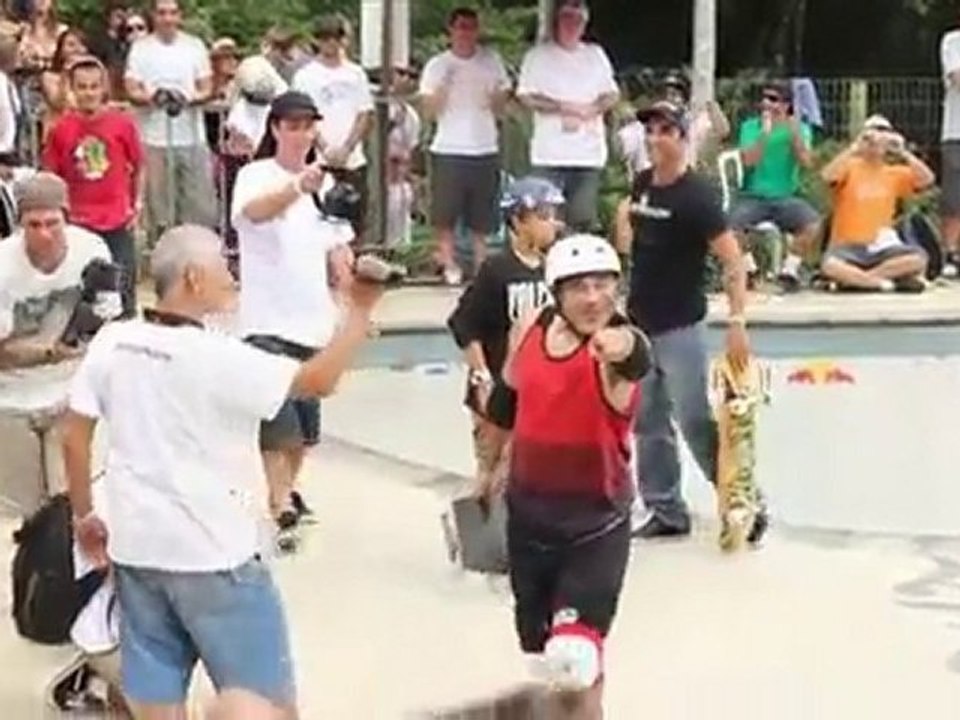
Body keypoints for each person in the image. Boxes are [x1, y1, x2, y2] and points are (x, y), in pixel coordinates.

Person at [61, 223, 385, 720]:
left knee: (156, 705)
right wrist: (359, 311)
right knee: (261, 706)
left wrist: (84, 516)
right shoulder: (221, 357)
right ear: (193, 278)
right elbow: (319, 380)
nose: (233, 277)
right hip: (216, 557)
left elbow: (73, 435)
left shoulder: (114, 340)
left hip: (138, 551)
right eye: (223, 267)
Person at [484, 233, 651, 718]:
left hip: (594, 526)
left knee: (573, 657)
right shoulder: (531, 329)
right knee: (544, 661)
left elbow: (636, 355)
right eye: (580, 287)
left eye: (603, 286)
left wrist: (619, 343)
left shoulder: (613, 352)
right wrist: (487, 468)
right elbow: (506, 401)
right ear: (556, 294)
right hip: (529, 522)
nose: (594, 298)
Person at [613, 101, 758, 542]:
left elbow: (734, 261)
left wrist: (737, 321)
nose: (655, 139)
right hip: (641, 320)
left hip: (681, 325)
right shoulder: (641, 186)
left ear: (682, 137)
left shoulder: (697, 196)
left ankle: (742, 500)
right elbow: (632, 243)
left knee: (695, 419)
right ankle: (665, 508)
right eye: (650, 131)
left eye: (664, 131)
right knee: (648, 421)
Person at [232, 90, 354, 546]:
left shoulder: (327, 186)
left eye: (308, 125)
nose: (301, 133)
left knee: (303, 431)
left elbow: (339, 246)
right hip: (266, 320)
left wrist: (352, 297)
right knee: (276, 419)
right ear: (276, 128)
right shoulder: (255, 175)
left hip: (313, 319)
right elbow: (252, 214)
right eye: (293, 125)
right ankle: (279, 502)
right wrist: (295, 188)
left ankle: (288, 492)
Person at [447, 176, 563, 499]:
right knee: (493, 466)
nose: (552, 223)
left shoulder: (555, 270)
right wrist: (482, 377)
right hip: (498, 381)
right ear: (518, 220)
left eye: (553, 214)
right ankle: (480, 535)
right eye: (543, 216)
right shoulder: (497, 270)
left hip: (536, 386)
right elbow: (464, 324)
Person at [42, 55, 145, 318]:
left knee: (123, 278)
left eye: (93, 86)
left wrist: (137, 203)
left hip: (116, 215)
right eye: (82, 87)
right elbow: (51, 176)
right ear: (73, 89)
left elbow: (139, 166)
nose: (88, 93)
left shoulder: (122, 123)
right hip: (79, 217)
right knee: (83, 282)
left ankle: (126, 325)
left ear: (103, 89)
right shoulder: (60, 129)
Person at [420, 6, 511, 284]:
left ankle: (482, 264)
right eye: (460, 27)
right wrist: (445, 85)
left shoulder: (491, 61)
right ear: (451, 30)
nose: (466, 33)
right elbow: (429, 110)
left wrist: (496, 94)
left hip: (484, 146)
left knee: (482, 213)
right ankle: (449, 264)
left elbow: (501, 104)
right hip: (448, 146)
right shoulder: (437, 64)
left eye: (471, 27)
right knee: (446, 212)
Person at [517, 0, 619, 232]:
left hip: (587, 154)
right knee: (545, 218)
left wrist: (591, 110)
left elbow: (612, 94)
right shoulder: (538, 55)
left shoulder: (595, 55)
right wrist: (564, 107)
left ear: (584, 24)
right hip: (549, 154)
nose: (571, 24)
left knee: (582, 218)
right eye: (566, 18)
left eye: (577, 20)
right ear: (557, 21)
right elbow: (526, 96)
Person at [0, 172, 116, 369]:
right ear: (21, 226)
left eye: (52, 223)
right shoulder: (4, 263)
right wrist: (51, 352)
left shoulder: (93, 249)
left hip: (77, 380)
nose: (44, 234)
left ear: (66, 220)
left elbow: (110, 317)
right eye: (34, 225)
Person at [124, 0, 217, 245]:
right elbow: (131, 88)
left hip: (191, 135)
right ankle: (161, 257)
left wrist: (187, 98)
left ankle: (197, 256)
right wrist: (154, 98)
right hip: (154, 137)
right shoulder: (141, 48)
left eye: (172, 13)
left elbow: (207, 86)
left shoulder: (194, 46)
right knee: (159, 207)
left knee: (196, 205)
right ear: (154, 16)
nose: (167, 18)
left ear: (180, 16)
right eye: (162, 13)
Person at [819, 114, 934, 292]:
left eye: (883, 133)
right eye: (873, 133)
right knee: (830, 265)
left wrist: (904, 153)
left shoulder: (894, 173)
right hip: (848, 246)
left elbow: (927, 180)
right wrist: (855, 148)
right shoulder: (849, 167)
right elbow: (827, 176)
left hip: (881, 247)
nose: (877, 140)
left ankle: (857, 281)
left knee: (918, 259)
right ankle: (883, 282)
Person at [729, 81, 820, 291]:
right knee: (730, 227)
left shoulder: (799, 128)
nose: (766, 104)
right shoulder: (750, 127)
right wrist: (765, 135)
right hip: (753, 195)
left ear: (787, 105)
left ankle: (789, 272)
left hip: (785, 197)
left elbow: (807, 163)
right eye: (764, 98)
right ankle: (750, 270)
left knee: (812, 224)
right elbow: (749, 161)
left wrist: (795, 135)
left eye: (773, 100)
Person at [292, 14, 374, 241]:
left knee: (355, 224)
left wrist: (347, 148)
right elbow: (305, 116)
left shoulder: (356, 73)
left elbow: (364, 114)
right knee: (320, 221)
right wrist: (325, 147)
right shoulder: (305, 76)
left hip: (353, 159)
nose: (331, 43)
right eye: (325, 38)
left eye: (336, 37)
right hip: (319, 160)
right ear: (317, 41)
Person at [660, 71, 730, 168]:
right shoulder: (659, 119)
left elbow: (723, 131)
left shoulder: (698, 119)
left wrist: (712, 105)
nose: (669, 98)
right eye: (667, 94)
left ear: (685, 96)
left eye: (674, 94)